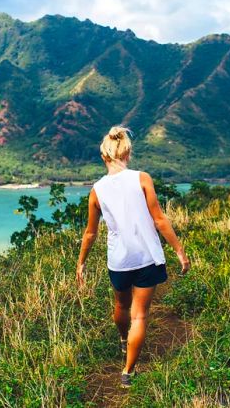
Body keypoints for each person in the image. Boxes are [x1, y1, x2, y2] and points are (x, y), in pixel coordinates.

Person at [76, 125, 191, 388]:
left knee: (121, 307)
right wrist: (179, 251)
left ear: (104, 156)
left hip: (119, 260)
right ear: (127, 153)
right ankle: (128, 372)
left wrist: (80, 263)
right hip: (146, 257)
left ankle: (121, 338)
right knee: (139, 316)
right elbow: (160, 220)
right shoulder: (142, 178)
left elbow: (90, 233)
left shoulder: (97, 190)